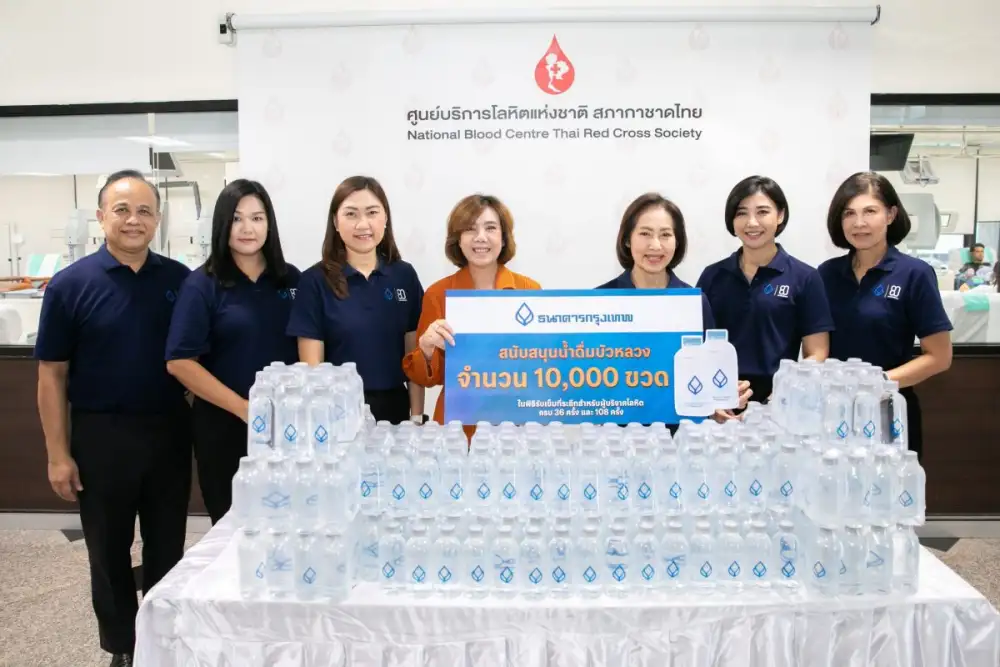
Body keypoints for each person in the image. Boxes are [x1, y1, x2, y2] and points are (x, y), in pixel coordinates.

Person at [35, 169, 192, 667]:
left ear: (158, 220)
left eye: (144, 211)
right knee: (107, 551)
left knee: (168, 546)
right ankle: (122, 646)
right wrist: (58, 455)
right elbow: (52, 375)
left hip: (168, 432)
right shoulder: (69, 286)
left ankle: (162, 642)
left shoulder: (181, 281)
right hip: (101, 436)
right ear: (102, 216)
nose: (133, 220)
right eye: (122, 210)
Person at [165, 179, 300, 524]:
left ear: (269, 224)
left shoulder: (292, 280)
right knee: (233, 529)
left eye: (257, 218)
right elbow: (180, 362)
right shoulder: (202, 285)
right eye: (237, 218)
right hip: (225, 429)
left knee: (292, 523)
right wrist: (244, 409)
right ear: (222, 225)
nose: (247, 228)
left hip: (288, 428)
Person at [818, 171, 953, 460]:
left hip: (890, 410)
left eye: (870, 211)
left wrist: (873, 384)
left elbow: (940, 357)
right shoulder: (826, 274)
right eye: (849, 213)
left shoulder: (914, 274)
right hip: (834, 413)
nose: (859, 223)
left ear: (891, 215)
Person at [597, 192, 752, 421]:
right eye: (645, 233)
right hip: (615, 432)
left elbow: (706, 376)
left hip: (680, 434)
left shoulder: (694, 302)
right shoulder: (600, 301)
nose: (655, 245)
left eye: (666, 235)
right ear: (627, 239)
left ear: (677, 242)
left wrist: (721, 401)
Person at [287, 176, 424, 424]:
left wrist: (416, 417)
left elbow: (414, 355)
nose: (363, 224)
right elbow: (312, 369)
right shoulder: (314, 281)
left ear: (385, 218)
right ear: (335, 222)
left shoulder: (404, 275)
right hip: (337, 414)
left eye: (372, 212)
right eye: (351, 214)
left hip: (396, 413)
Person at [403, 194, 541, 434]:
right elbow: (427, 379)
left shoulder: (529, 290)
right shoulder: (438, 294)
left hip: (514, 427)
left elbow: (541, 366)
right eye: (470, 229)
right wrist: (426, 348)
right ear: (458, 240)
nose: (481, 237)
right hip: (456, 429)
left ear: (504, 238)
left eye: (490, 228)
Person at [696, 175, 834, 403]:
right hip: (719, 400)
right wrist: (712, 393)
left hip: (779, 403)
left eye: (762, 212)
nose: (752, 223)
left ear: (780, 215)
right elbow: (696, 346)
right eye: (742, 213)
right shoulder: (712, 276)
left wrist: (788, 387)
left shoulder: (805, 277)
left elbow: (817, 352)